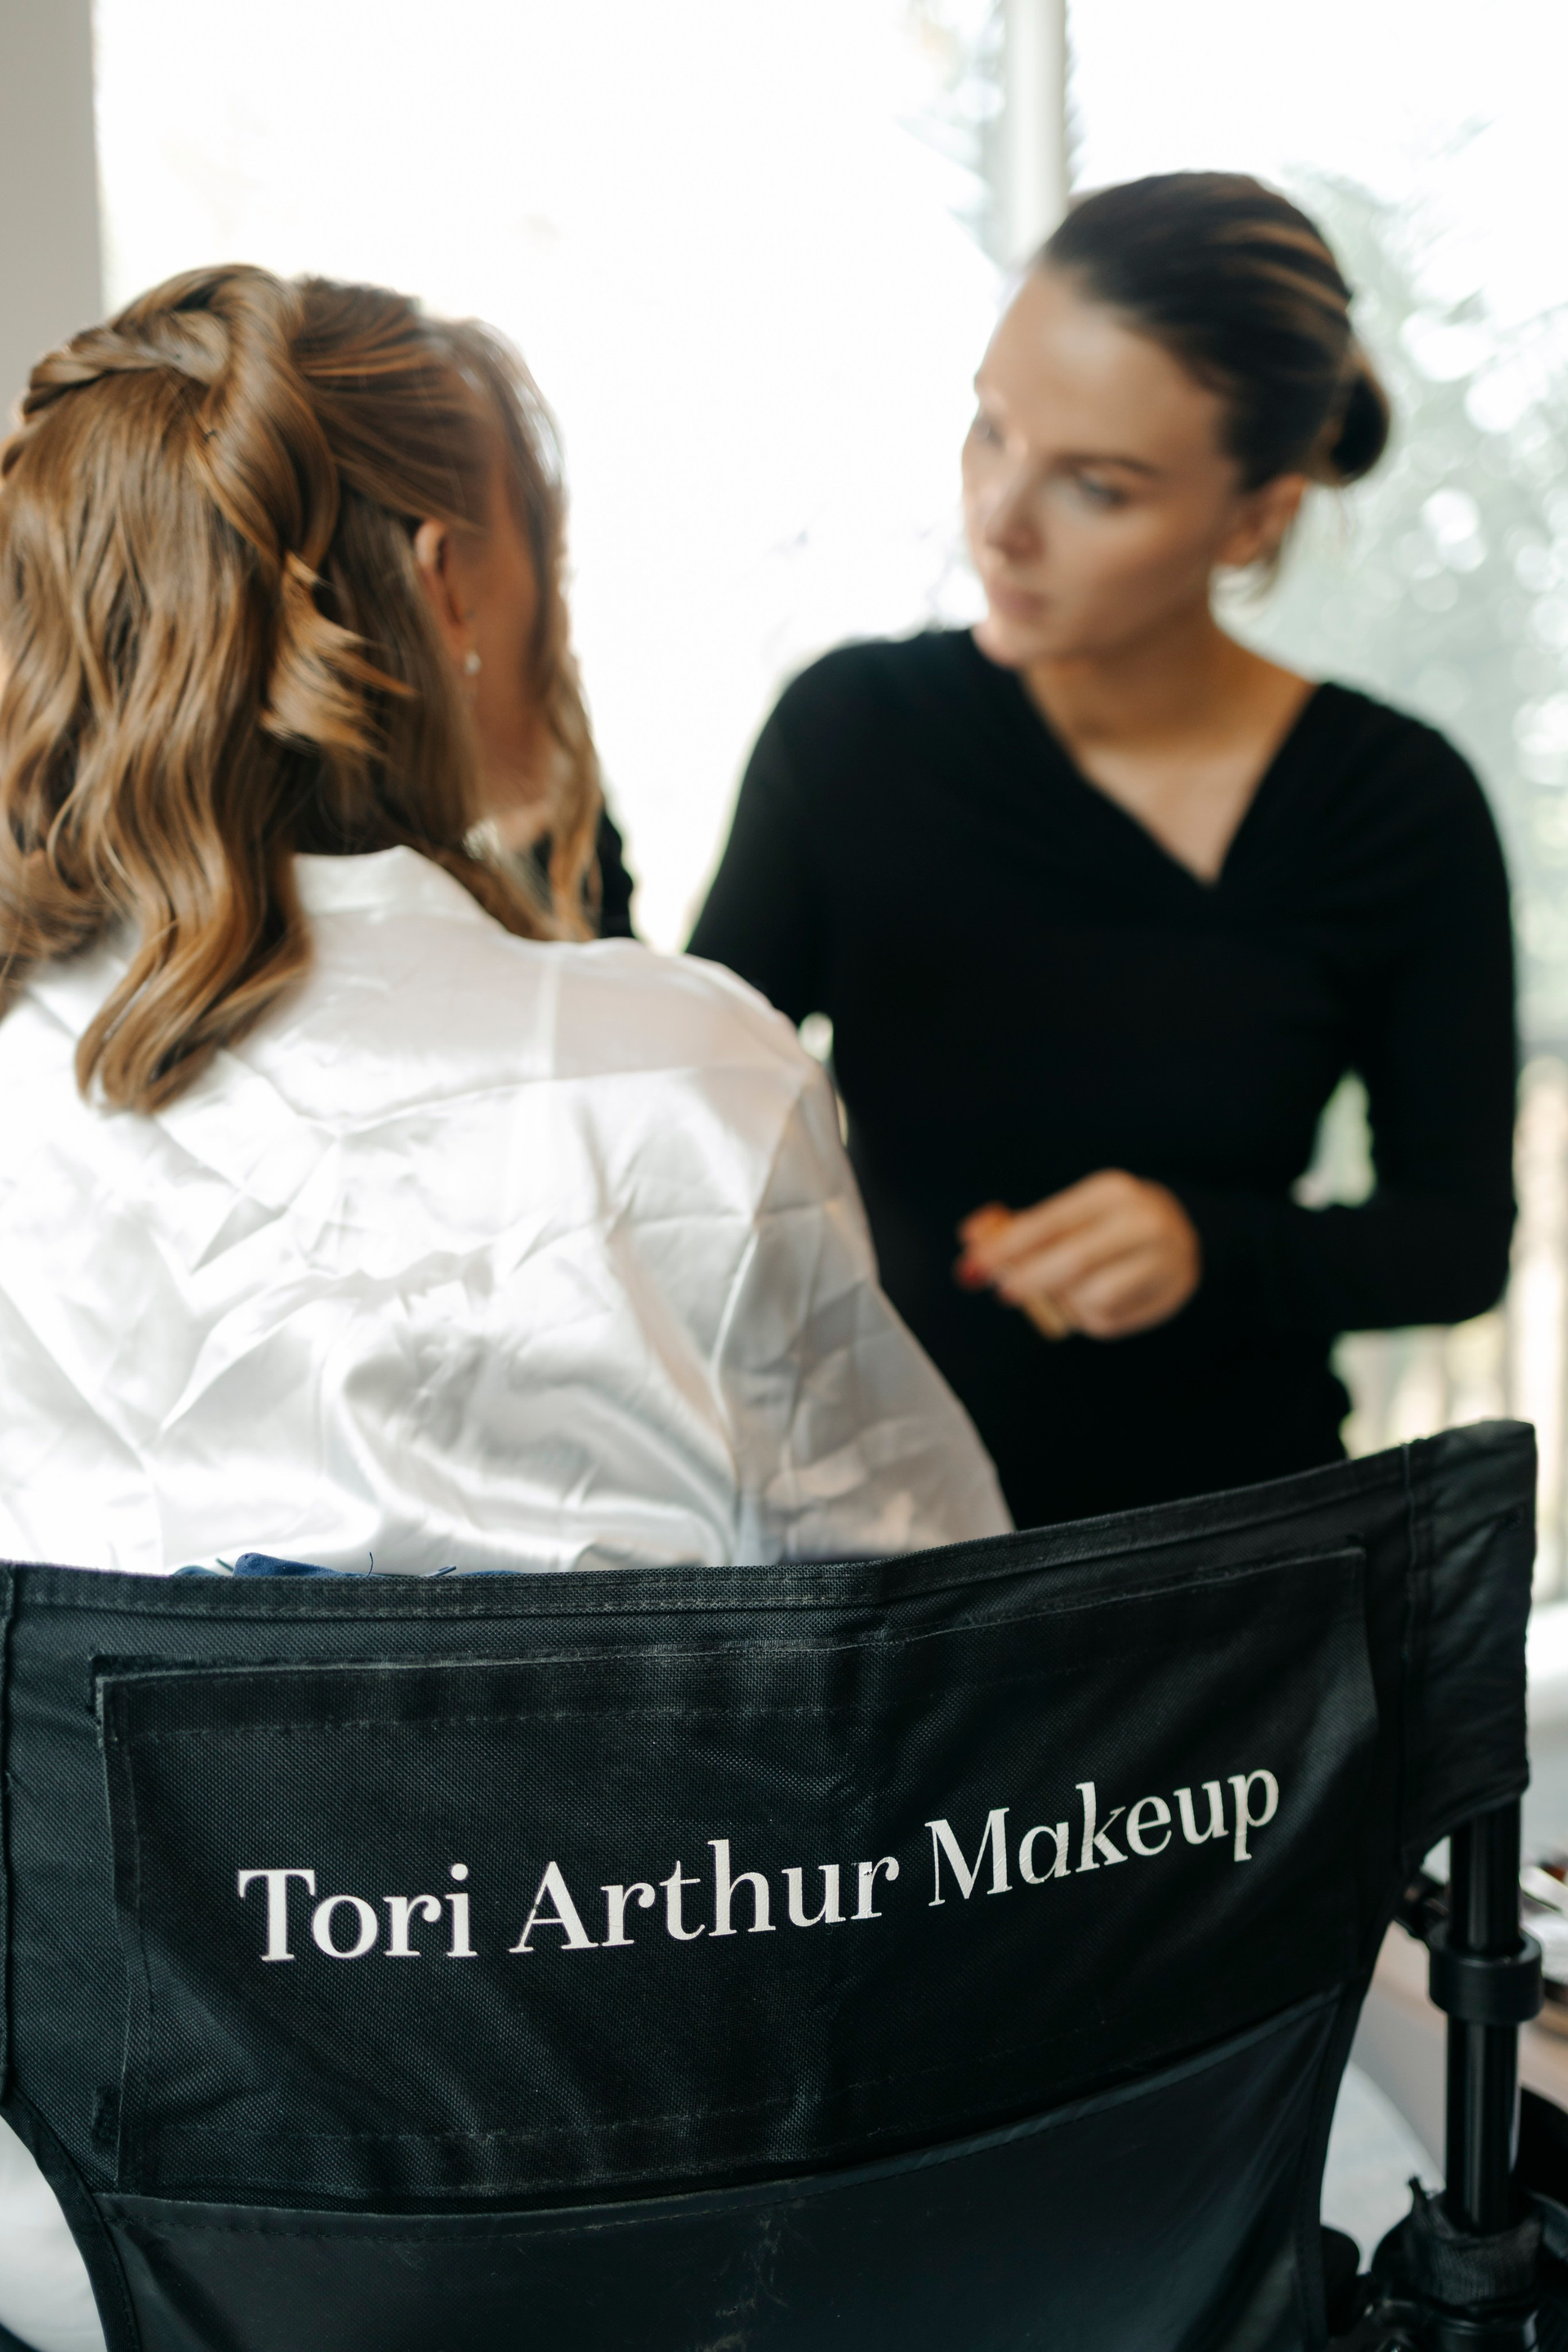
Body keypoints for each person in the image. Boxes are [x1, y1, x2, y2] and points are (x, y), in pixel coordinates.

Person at [0, 266, 1009, 2352]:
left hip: (83, 2251)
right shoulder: (683, 1076)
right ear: (452, 576)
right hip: (640, 2222)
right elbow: (941, 1658)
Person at [690, 172, 1517, 1530]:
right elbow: (683, 1126)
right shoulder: (850, 738)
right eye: (991, 429)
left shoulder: (1398, 804)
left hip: (1239, 1567)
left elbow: (1455, 1242)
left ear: (1253, 519)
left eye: (1096, 486)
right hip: (888, 1554)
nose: (1000, 518)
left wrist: (1210, 1248)